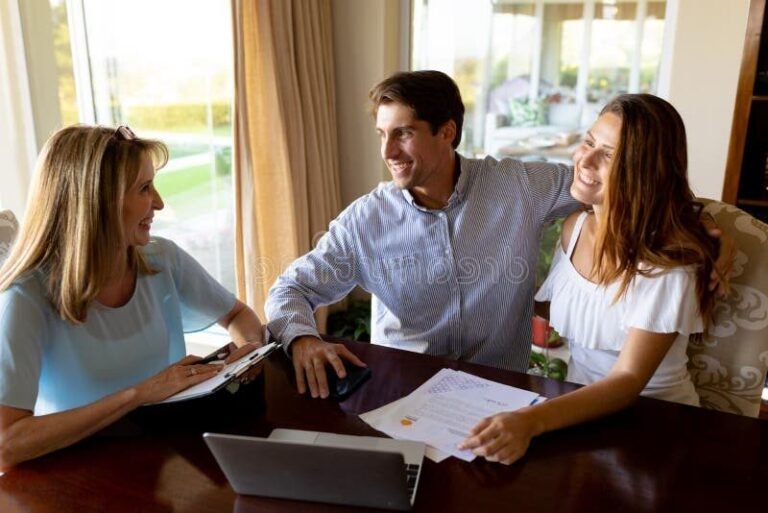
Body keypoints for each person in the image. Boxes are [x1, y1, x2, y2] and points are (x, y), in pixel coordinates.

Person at [265, 70, 578, 398]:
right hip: (401, 397)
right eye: (382, 134)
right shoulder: (365, 221)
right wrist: (303, 339)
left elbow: (607, 187)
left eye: (403, 133)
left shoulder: (520, 186)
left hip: (499, 397)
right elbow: (290, 288)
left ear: (446, 132)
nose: (388, 151)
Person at [459, 94, 724, 465]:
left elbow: (629, 380)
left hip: (655, 425)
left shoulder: (669, 262)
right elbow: (564, 307)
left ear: (646, 172)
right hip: (578, 414)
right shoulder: (575, 227)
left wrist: (529, 421)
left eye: (609, 154)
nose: (584, 159)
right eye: (588, 141)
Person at [0, 125, 264, 470]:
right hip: (75, 475)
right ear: (97, 202)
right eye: (144, 188)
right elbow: (7, 444)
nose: (159, 202)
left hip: (163, 456)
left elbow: (238, 315)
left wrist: (249, 354)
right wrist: (141, 393)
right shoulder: (24, 297)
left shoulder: (161, 259)